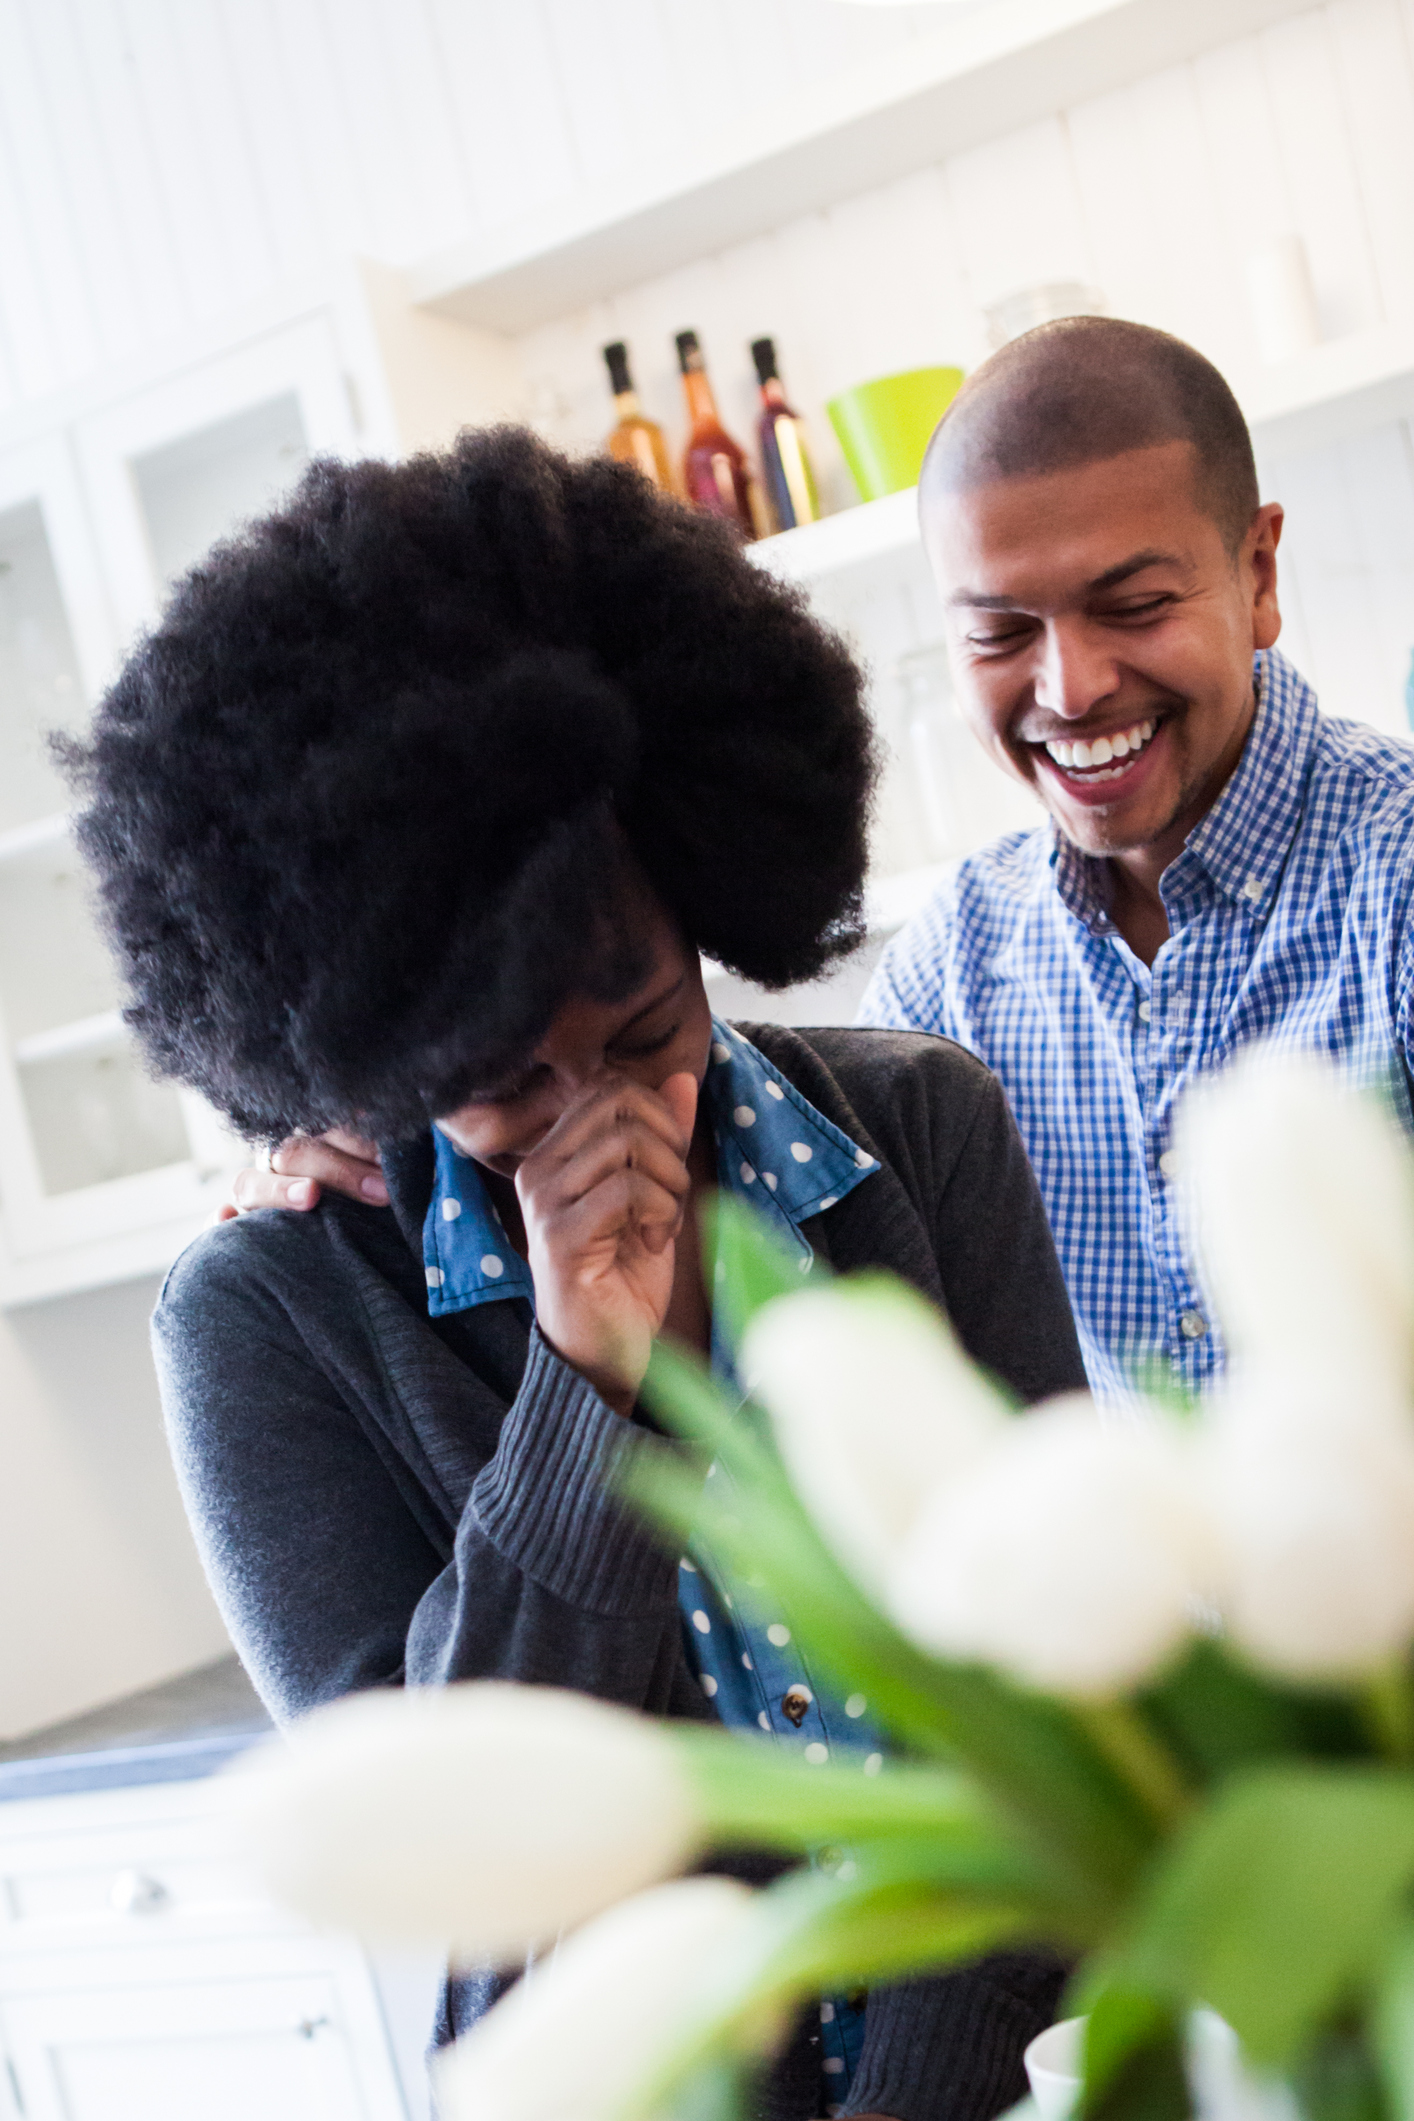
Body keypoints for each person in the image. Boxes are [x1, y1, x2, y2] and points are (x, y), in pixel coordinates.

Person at [64, 429, 1083, 2121]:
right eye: (503, 1081)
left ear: (701, 903)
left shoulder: (919, 1131)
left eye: (643, 1033)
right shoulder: (267, 1324)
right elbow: (442, 1848)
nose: (600, 1122)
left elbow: (1046, 1689)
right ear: (370, 1051)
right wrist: (580, 1380)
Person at [853, 315, 1414, 1400]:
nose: (1069, 689)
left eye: (1135, 606)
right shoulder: (947, 975)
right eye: (1000, 634)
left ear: (1256, 575)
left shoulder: (1393, 881)